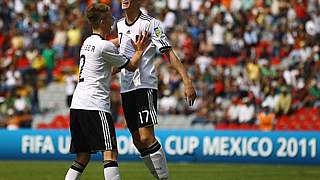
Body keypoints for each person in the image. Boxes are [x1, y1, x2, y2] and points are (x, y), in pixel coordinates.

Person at [64, 3, 150, 180]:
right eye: (110, 17)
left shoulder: (87, 42)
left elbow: (105, 66)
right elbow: (131, 66)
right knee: (110, 153)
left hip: (77, 105)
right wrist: (140, 49)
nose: (113, 20)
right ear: (103, 21)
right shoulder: (105, 47)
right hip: (95, 106)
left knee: (82, 156)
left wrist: (123, 39)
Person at [113, 0, 197, 179]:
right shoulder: (119, 24)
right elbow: (121, 47)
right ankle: (158, 176)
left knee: (146, 138)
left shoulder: (151, 23)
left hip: (145, 85)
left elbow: (169, 53)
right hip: (126, 87)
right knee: (137, 140)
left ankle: (164, 178)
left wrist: (187, 80)